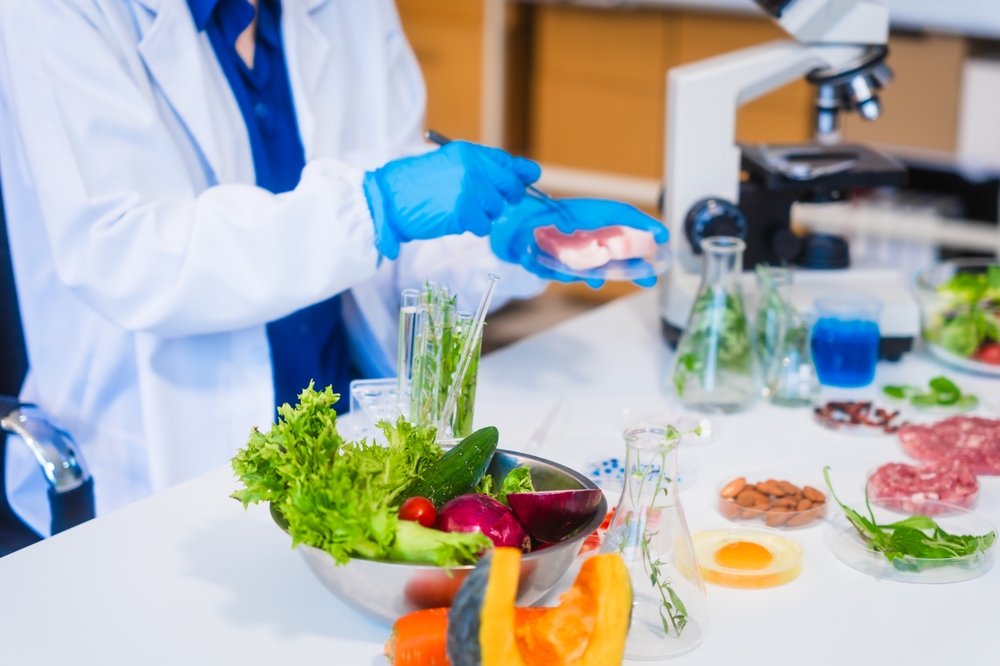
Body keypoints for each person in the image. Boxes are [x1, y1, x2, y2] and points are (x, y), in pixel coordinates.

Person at [0, 0, 665, 535]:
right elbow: (129, 257)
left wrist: (505, 241)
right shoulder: (59, 13)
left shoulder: (347, 9)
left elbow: (389, 254)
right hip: (158, 468)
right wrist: (374, 206)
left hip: (351, 449)